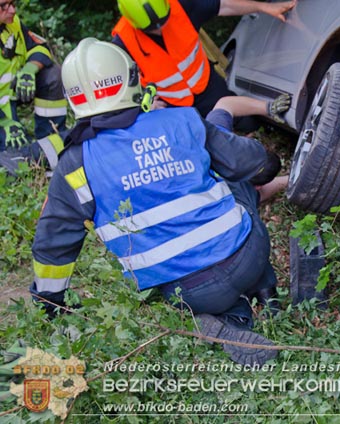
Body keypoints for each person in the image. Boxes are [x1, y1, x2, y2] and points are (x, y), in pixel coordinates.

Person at [30, 38, 282, 366]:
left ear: (72, 98)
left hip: (184, 290)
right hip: (249, 256)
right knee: (235, 178)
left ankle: (229, 322)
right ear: (132, 79)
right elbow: (253, 166)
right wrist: (271, 164)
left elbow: (53, 243)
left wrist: (50, 303)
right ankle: (267, 292)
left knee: (207, 287)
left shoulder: (75, 163)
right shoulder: (181, 121)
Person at [112, 0, 296, 121]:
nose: (160, 30)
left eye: (164, 21)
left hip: (206, 86)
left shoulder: (181, 6)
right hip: (171, 106)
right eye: (152, 29)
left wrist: (265, 7)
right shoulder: (123, 42)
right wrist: (146, 103)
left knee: (245, 123)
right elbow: (121, 87)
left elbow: (224, 6)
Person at [0, 0, 67, 166]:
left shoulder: (12, 23)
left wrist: (29, 70)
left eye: (13, 3)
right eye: (4, 6)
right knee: (14, 155)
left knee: (52, 75)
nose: (13, 10)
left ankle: (51, 135)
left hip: (14, 92)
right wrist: (5, 121)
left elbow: (41, 48)